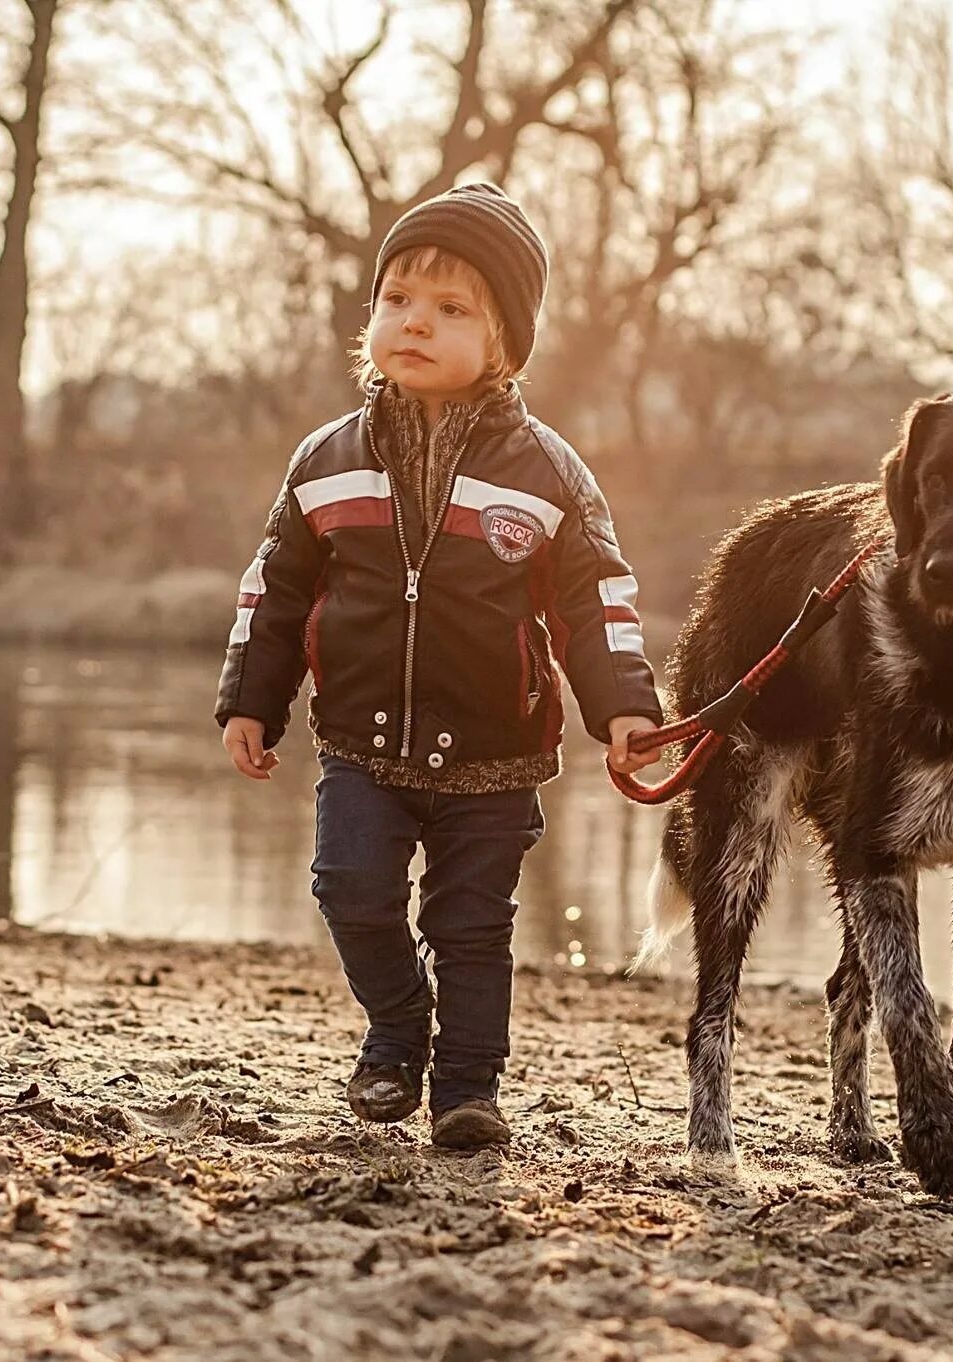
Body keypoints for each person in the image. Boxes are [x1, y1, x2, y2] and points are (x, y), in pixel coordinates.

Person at [217, 182, 665, 1149]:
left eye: (451, 309)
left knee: (471, 928)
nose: (414, 322)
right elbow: (275, 588)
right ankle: (394, 1030)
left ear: (504, 344)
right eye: (397, 301)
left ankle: (468, 1089)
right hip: (361, 742)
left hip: (494, 755)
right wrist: (251, 699)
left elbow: (598, 600)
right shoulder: (326, 459)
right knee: (349, 887)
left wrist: (625, 706)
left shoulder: (545, 470)